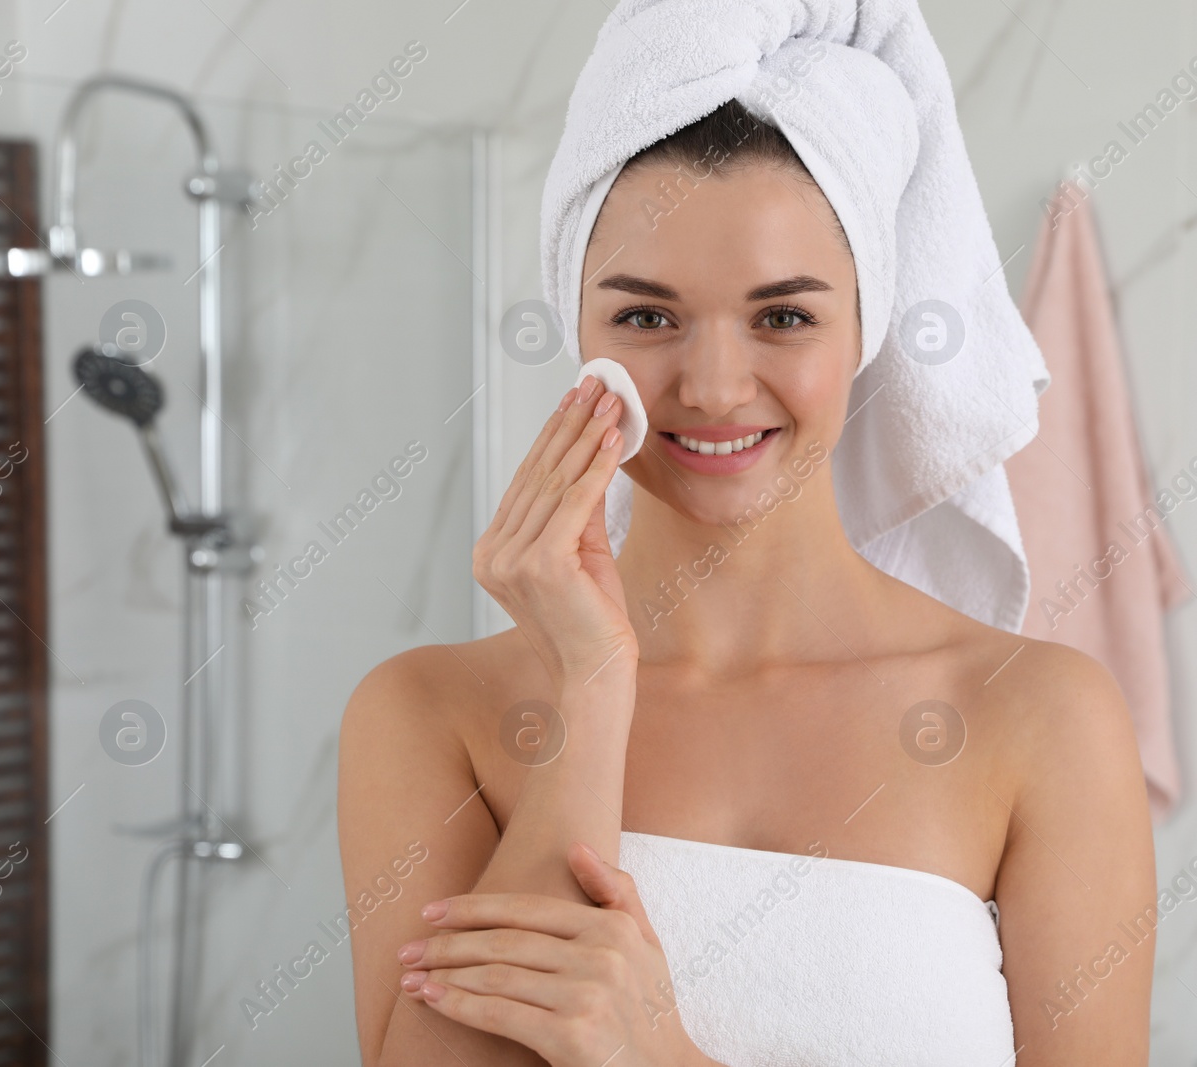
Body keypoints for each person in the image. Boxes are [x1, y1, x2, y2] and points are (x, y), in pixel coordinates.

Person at [339, 39, 1153, 1067]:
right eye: (644, 314)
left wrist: (655, 1053)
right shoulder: (425, 714)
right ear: (575, 325)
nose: (715, 386)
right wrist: (590, 690)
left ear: (863, 327)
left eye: (783, 316)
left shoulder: (1038, 715)